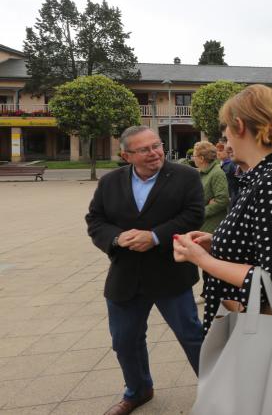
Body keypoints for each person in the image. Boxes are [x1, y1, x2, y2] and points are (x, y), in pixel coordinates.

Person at [171, 84, 272, 411]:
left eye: (225, 130)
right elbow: (261, 242)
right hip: (252, 324)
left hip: (262, 326)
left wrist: (202, 259)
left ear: (240, 127)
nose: (224, 139)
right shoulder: (260, 177)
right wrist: (215, 242)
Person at [86, 125, 205, 415]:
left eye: (157, 145)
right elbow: (95, 220)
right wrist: (117, 238)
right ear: (127, 155)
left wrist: (154, 237)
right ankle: (138, 390)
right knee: (125, 340)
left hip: (170, 274)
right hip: (125, 276)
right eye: (144, 149)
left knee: (192, 336)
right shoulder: (110, 182)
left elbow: (193, 215)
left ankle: (221, 388)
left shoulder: (185, 176)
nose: (154, 153)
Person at [192, 141, 230, 234]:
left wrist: (201, 212)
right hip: (204, 224)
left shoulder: (217, 173)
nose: (193, 159)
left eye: (194, 156)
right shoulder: (204, 172)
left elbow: (223, 200)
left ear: (201, 158)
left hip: (212, 226)